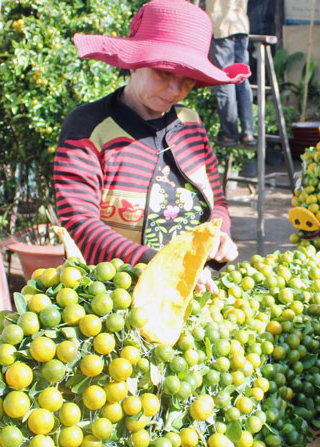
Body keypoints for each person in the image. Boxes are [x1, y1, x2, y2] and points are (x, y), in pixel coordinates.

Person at [55, 0, 250, 293]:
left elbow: (217, 203)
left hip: (187, 291)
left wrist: (218, 233)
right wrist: (158, 263)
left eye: (187, 80)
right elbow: (79, 224)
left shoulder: (191, 125)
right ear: (134, 63)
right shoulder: (88, 127)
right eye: (163, 73)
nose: (175, 90)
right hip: (108, 303)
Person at [206, 0, 254, 147]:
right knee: (242, 81)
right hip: (241, 25)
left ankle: (230, 133)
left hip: (221, 25)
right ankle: (248, 133)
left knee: (225, 81)